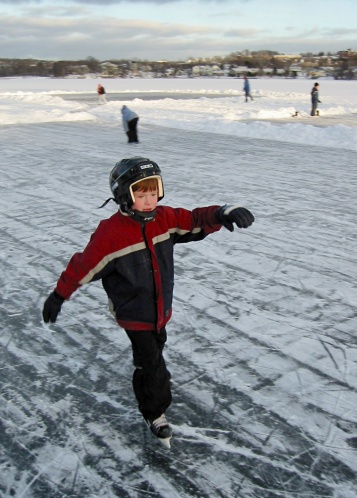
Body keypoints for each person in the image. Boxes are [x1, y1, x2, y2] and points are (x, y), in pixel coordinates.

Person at [42, 156, 255, 445]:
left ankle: (145, 371)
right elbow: (83, 266)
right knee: (155, 367)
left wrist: (221, 213)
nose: (148, 200)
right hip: (134, 313)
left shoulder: (164, 219)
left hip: (160, 310)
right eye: (140, 194)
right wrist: (58, 296)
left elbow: (193, 220)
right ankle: (155, 412)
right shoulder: (111, 234)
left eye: (153, 192)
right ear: (124, 195)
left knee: (152, 353)